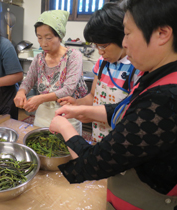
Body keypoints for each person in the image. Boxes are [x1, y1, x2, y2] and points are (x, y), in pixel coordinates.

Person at [49, 0, 177, 209]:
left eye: (127, 32)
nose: (124, 43)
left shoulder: (168, 98)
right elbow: (131, 111)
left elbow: (92, 164)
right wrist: (84, 109)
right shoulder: (167, 73)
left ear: (162, 33)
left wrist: (65, 128)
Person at [58, 2, 143, 143]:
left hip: (122, 141)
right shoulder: (102, 64)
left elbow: (131, 113)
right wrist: (77, 103)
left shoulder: (136, 68)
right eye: (96, 46)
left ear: (122, 37)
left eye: (103, 46)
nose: (100, 52)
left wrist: (89, 113)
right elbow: (93, 97)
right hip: (98, 135)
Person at [13, 10, 88, 134]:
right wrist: (21, 92)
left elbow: (68, 89)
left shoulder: (73, 56)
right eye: (39, 37)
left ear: (60, 36)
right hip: (43, 115)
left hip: (67, 115)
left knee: (68, 150)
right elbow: (28, 82)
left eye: (48, 38)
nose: (43, 43)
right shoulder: (39, 58)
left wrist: (39, 99)